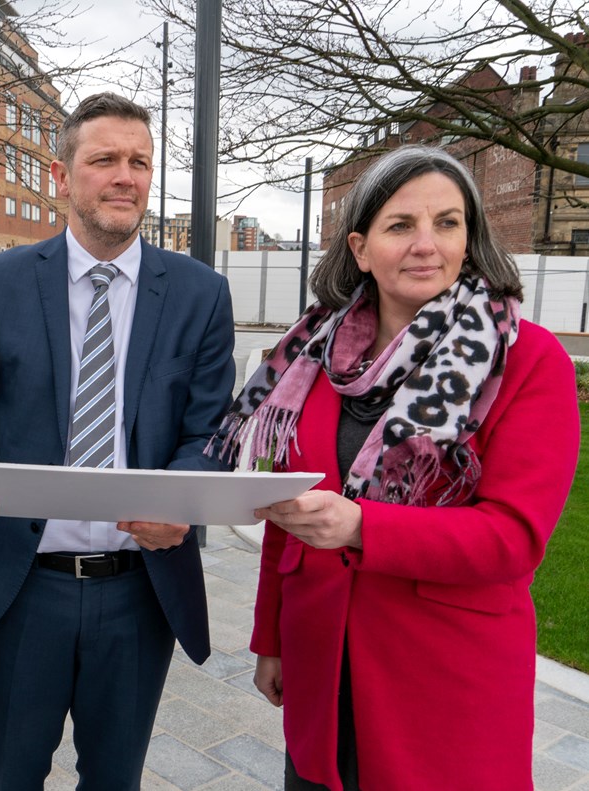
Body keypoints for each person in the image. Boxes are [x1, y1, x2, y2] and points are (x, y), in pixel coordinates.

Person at [208, 145, 580, 790]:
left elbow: (513, 539)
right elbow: (281, 505)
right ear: (360, 247)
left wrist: (361, 528)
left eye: (448, 222)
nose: (426, 244)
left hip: (445, 673)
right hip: (322, 659)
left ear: (470, 238)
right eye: (401, 225)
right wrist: (270, 635)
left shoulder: (527, 360)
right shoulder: (310, 356)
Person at [0, 92, 237, 789]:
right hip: (23, 589)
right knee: (11, 776)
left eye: (140, 162)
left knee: (115, 779)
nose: (125, 176)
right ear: (60, 175)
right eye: (104, 159)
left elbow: (211, 432)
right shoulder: (1, 282)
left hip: (139, 594)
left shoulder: (199, 294)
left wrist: (180, 502)